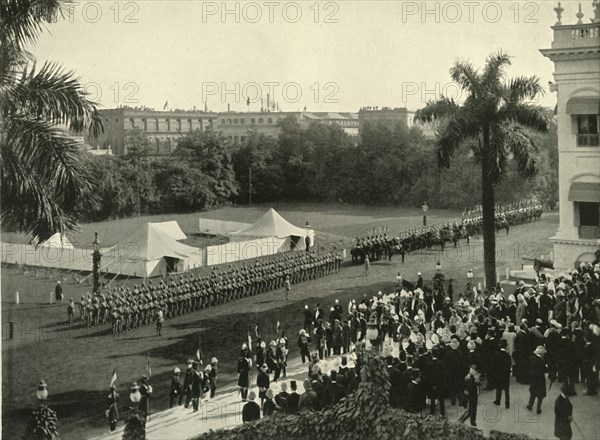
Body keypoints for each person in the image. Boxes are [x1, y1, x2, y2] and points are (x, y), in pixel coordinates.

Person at [528, 345, 548, 414]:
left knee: (533, 393)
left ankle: (530, 405)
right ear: (541, 353)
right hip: (540, 379)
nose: (544, 354)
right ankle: (538, 408)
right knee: (540, 395)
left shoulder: (532, 359)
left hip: (533, 378)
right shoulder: (542, 361)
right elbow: (545, 370)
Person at [494, 339, 512, 409]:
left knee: (498, 388)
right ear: (506, 346)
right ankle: (507, 403)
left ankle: (498, 401)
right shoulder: (507, 356)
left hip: (499, 374)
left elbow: (495, 366)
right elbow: (509, 366)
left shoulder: (497, 354)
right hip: (505, 375)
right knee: (506, 390)